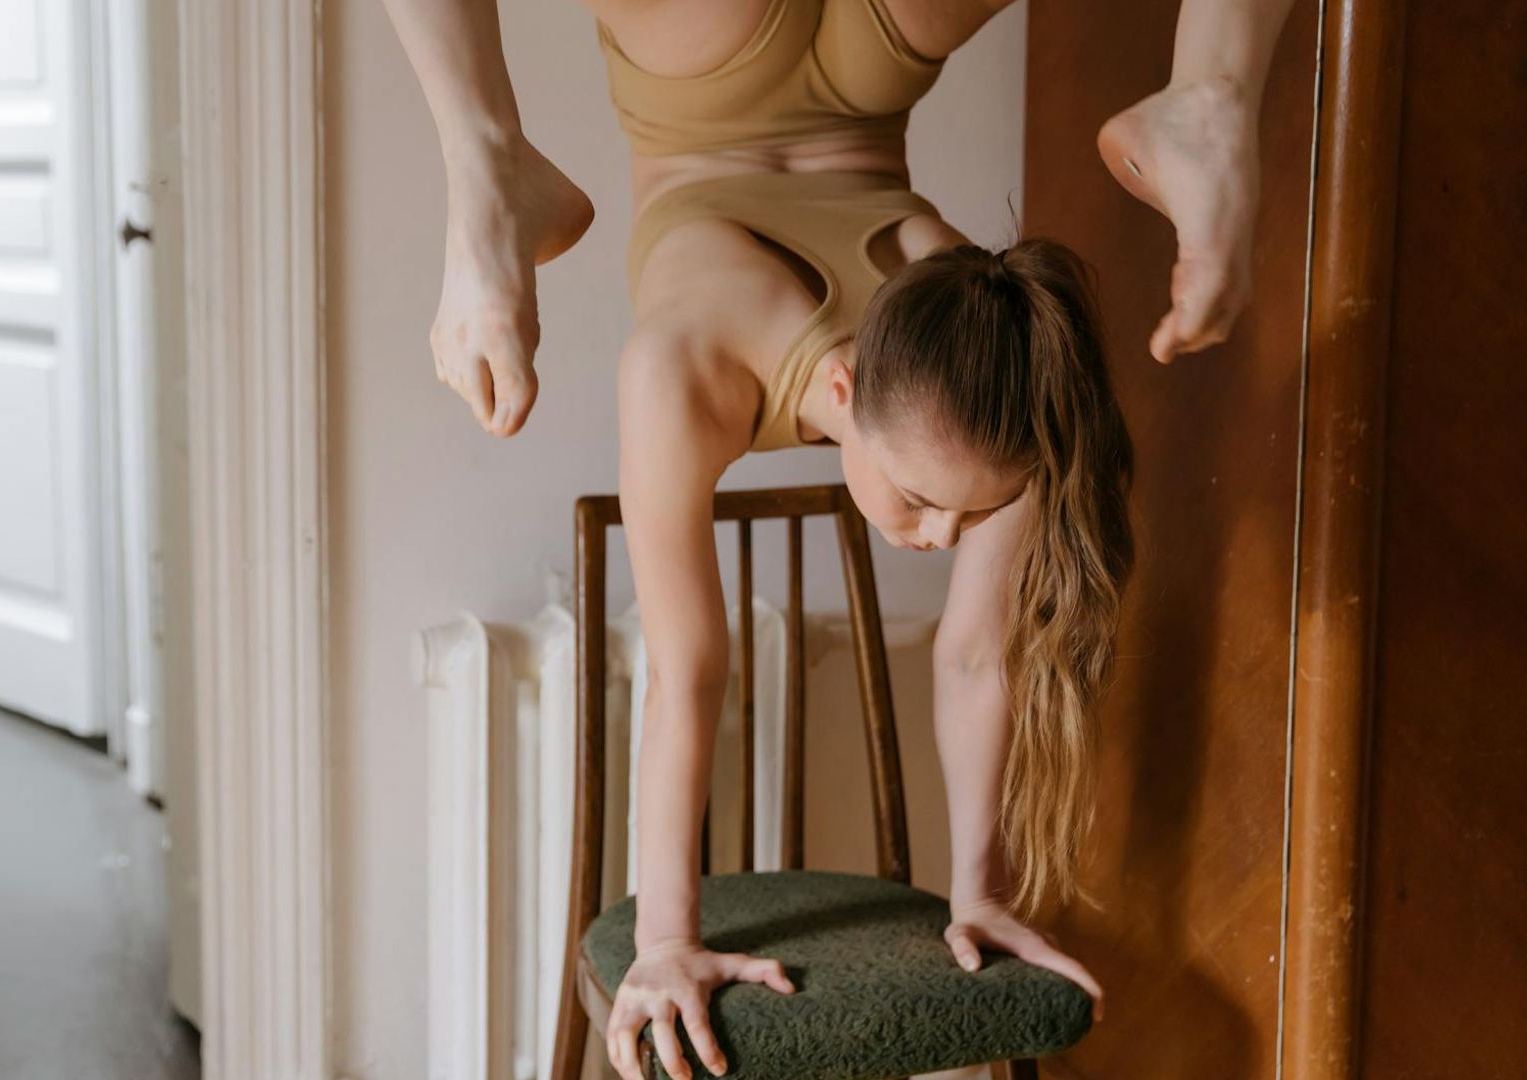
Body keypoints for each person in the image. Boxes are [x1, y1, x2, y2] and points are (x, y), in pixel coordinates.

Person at [377, 2, 1294, 1079]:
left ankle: (1214, 99)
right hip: (758, 81)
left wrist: (981, 894)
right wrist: (668, 942)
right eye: (917, 500)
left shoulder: (986, 360)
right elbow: (685, 671)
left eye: (967, 515)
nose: (940, 535)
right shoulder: (685, 368)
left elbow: (975, 654)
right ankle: (1216, 90)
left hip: (783, 53)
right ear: (846, 387)